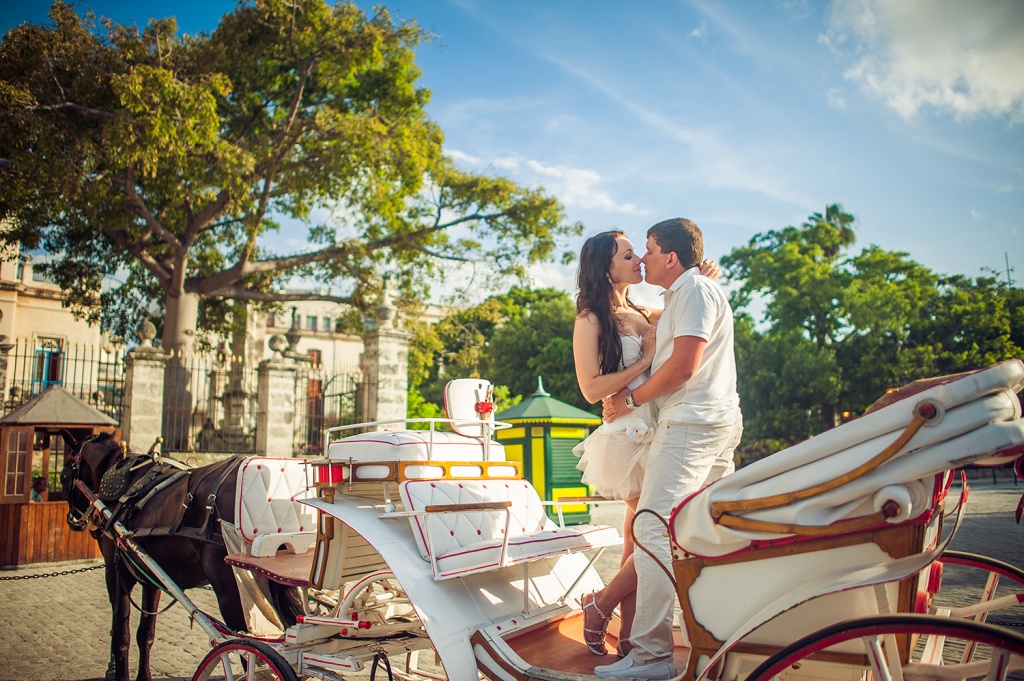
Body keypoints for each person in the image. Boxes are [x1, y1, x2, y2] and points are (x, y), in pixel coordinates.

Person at [594, 218, 742, 680]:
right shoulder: (685, 293)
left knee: (652, 528)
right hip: (712, 422)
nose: (644, 258)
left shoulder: (693, 291)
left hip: (691, 425)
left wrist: (630, 400)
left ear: (671, 257)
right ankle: (712, 640)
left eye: (650, 249)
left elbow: (682, 367)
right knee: (696, 531)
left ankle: (652, 656)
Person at [572, 229, 719, 659]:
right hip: (628, 431)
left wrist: (701, 277)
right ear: (606, 268)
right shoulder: (590, 318)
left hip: (658, 425)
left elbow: (685, 314)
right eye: (628, 255)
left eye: (640, 252)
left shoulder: (643, 310)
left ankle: (625, 634)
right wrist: (645, 361)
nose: (639, 260)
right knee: (651, 531)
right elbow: (590, 389)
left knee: (639, 536)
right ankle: (612, 618)